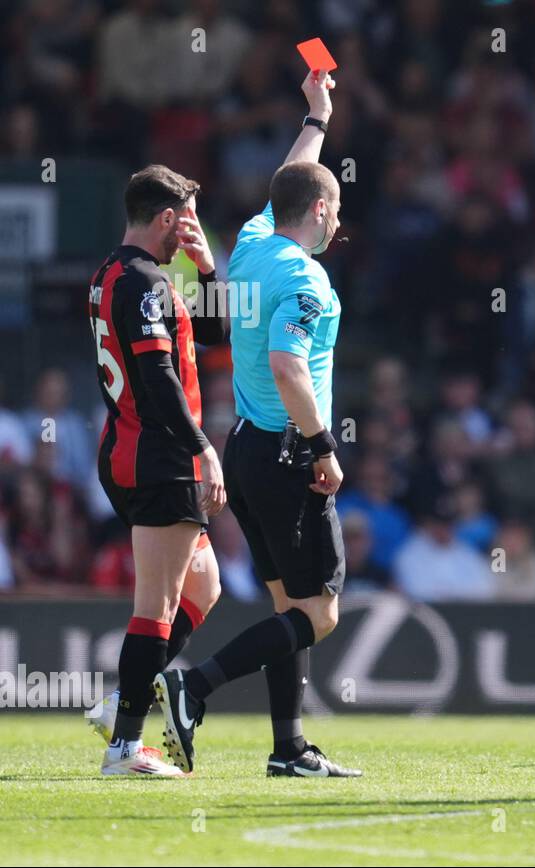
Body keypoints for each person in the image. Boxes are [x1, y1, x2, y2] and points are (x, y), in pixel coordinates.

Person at [154, 70, 359, 779]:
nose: (338, 221)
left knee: (285, 605)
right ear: (323, 210)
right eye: (335, 209)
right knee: (322, 611)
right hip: (287, 454)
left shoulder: (249, 243)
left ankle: (289, 748)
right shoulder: (307, 281)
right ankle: (194, 684)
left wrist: (318, 117)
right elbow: (287, 366)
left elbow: (287, 182)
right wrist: (323, 446)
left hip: (243, 449)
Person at [86, 164, 226, 776]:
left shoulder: (113, 274)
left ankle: (125, 697)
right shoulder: (144, 283)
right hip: (159, 458)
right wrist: (203, 447)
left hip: (132, 450)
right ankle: (125, 745)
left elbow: (218, 333)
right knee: (158, 604)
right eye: (185, 222)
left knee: (205, 586)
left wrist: (208, 270)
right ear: (167, 217)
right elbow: (158, 378)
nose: (187, 233)